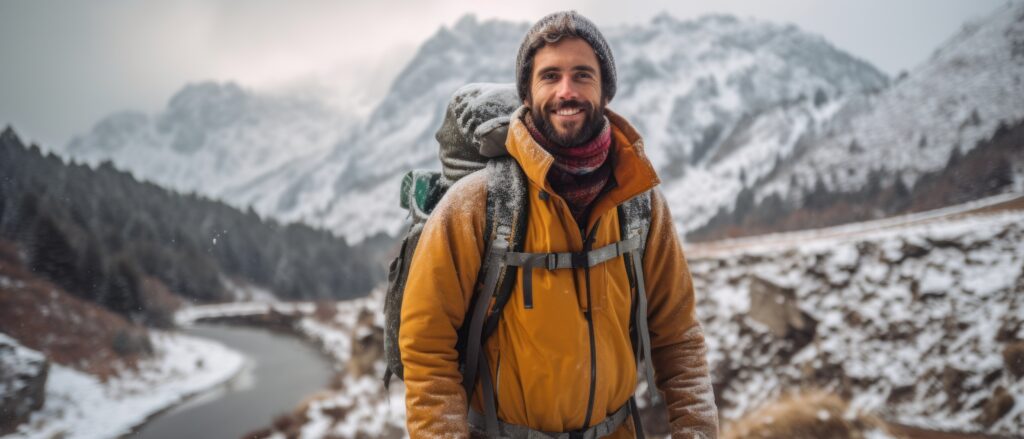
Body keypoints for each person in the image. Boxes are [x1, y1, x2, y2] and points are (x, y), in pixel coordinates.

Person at [400, 10, 719, 439]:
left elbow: (677, 336)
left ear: (605, 90)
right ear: (527, 95)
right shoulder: (476, 204)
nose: (566, 91)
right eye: (550, 76)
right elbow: (426, 347)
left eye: (582, 75)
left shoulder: (639, 203)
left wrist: (697, 430)